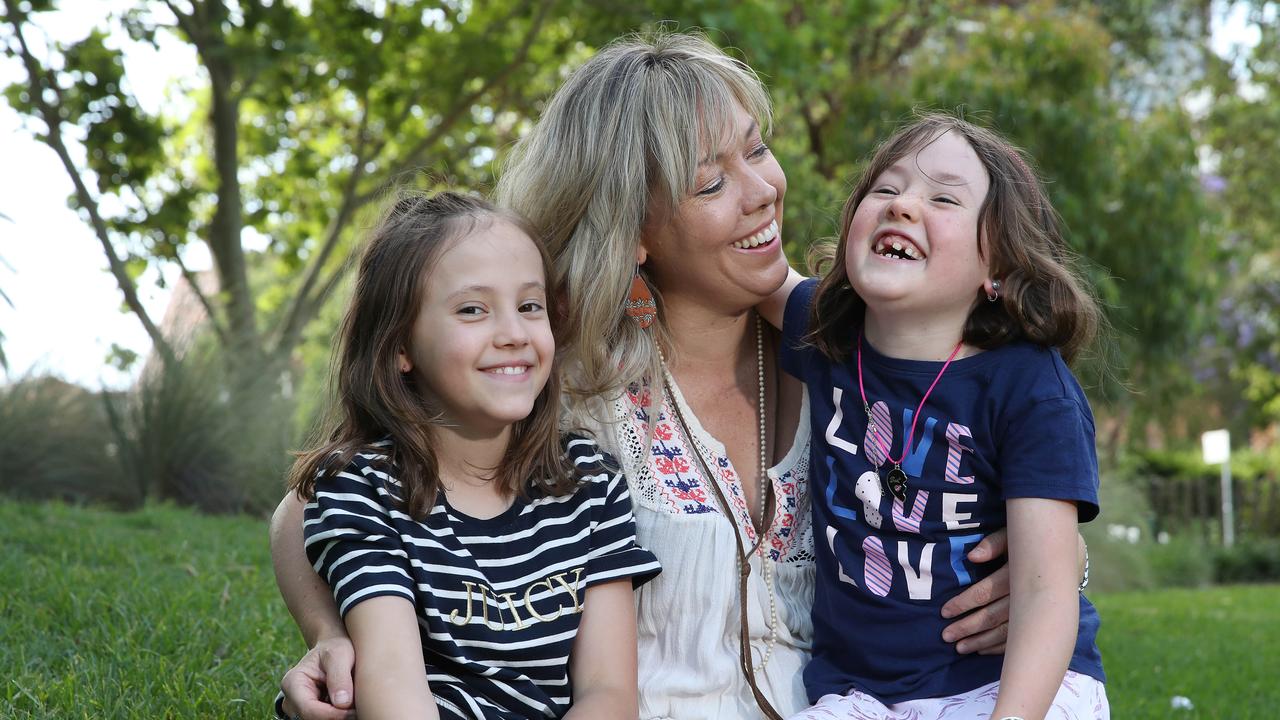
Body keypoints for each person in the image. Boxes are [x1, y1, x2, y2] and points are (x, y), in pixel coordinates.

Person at [270, 33, 1049, 720]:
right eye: (710, 183)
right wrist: (338, 639)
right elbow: (312, 511)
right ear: (633, 229)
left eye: (757, 149)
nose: (762, 191)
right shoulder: (560, 377)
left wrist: (1044, 579)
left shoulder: (852, 357)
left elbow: (1010, 482)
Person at [759, 114, 1107, 720]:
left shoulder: (1030, 390)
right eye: (886, 189)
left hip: (1005, 688)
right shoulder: (825, 329)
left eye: (944, 198)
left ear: (995, 265)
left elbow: (1046, 591)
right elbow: (742, 271)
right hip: (857, 695)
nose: (904, 206)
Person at [281, 191, 660, 720]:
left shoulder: (589, 484)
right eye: (472, 310)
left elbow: (607, 692)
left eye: (530, 306)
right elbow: (393, 690)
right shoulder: (365, 489)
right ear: (400, 347)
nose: (512, 334)